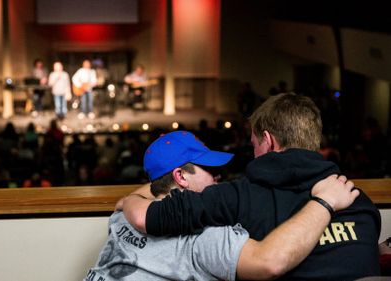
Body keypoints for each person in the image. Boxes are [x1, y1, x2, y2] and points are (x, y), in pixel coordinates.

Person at [123, 94, 381, 280]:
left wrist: (129, 198)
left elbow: (144, 217)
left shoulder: (236, 197)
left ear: (268, 141)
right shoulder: (359, 200)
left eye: (254, 144)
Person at [86, 131, 359, 281]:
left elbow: (151, 188)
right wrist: (325, 202)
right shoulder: (202, 235)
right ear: (180, 176)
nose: (219, 177)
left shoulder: (123, 216)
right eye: (209, 170)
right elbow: (270, 263)